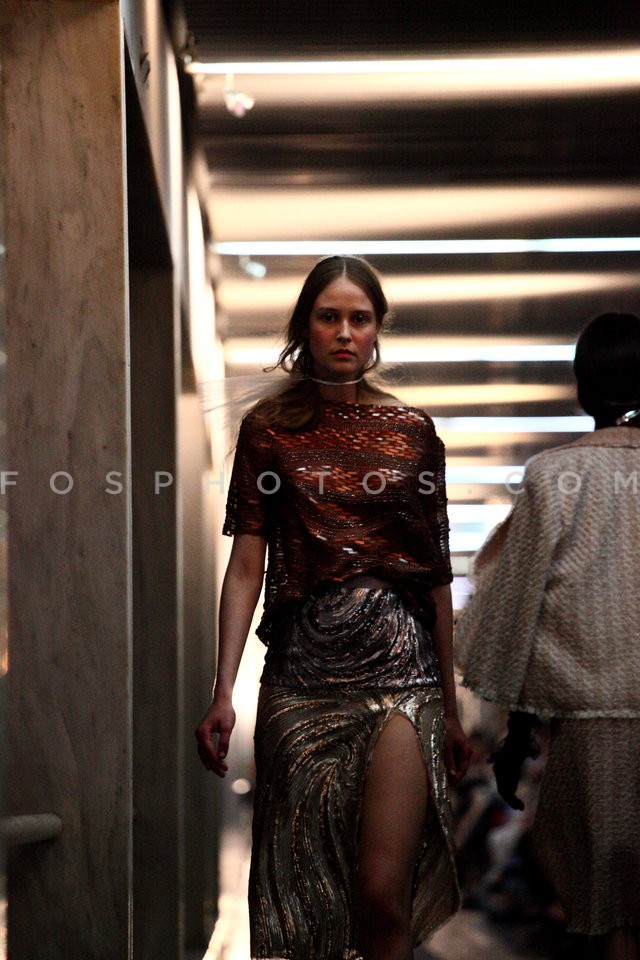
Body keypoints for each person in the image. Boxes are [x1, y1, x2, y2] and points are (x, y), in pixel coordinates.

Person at [196, 255, 471, 960]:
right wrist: (222, 690)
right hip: (302, 680)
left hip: (404, 676)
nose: (345, 332)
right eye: (329, 317)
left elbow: (436, 576)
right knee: (305, 900)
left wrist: (451, 702)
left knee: (382, 894)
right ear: (305, 328)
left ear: (377, 331)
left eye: (360, 318)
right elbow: (246, 566)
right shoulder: (268, 430)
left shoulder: (412, 432)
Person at [455, 312, 640, 960]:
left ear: (582, 388)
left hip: (590, 728)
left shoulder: (556, 475)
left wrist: (516, 729)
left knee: (608, 912)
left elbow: (516, 604)